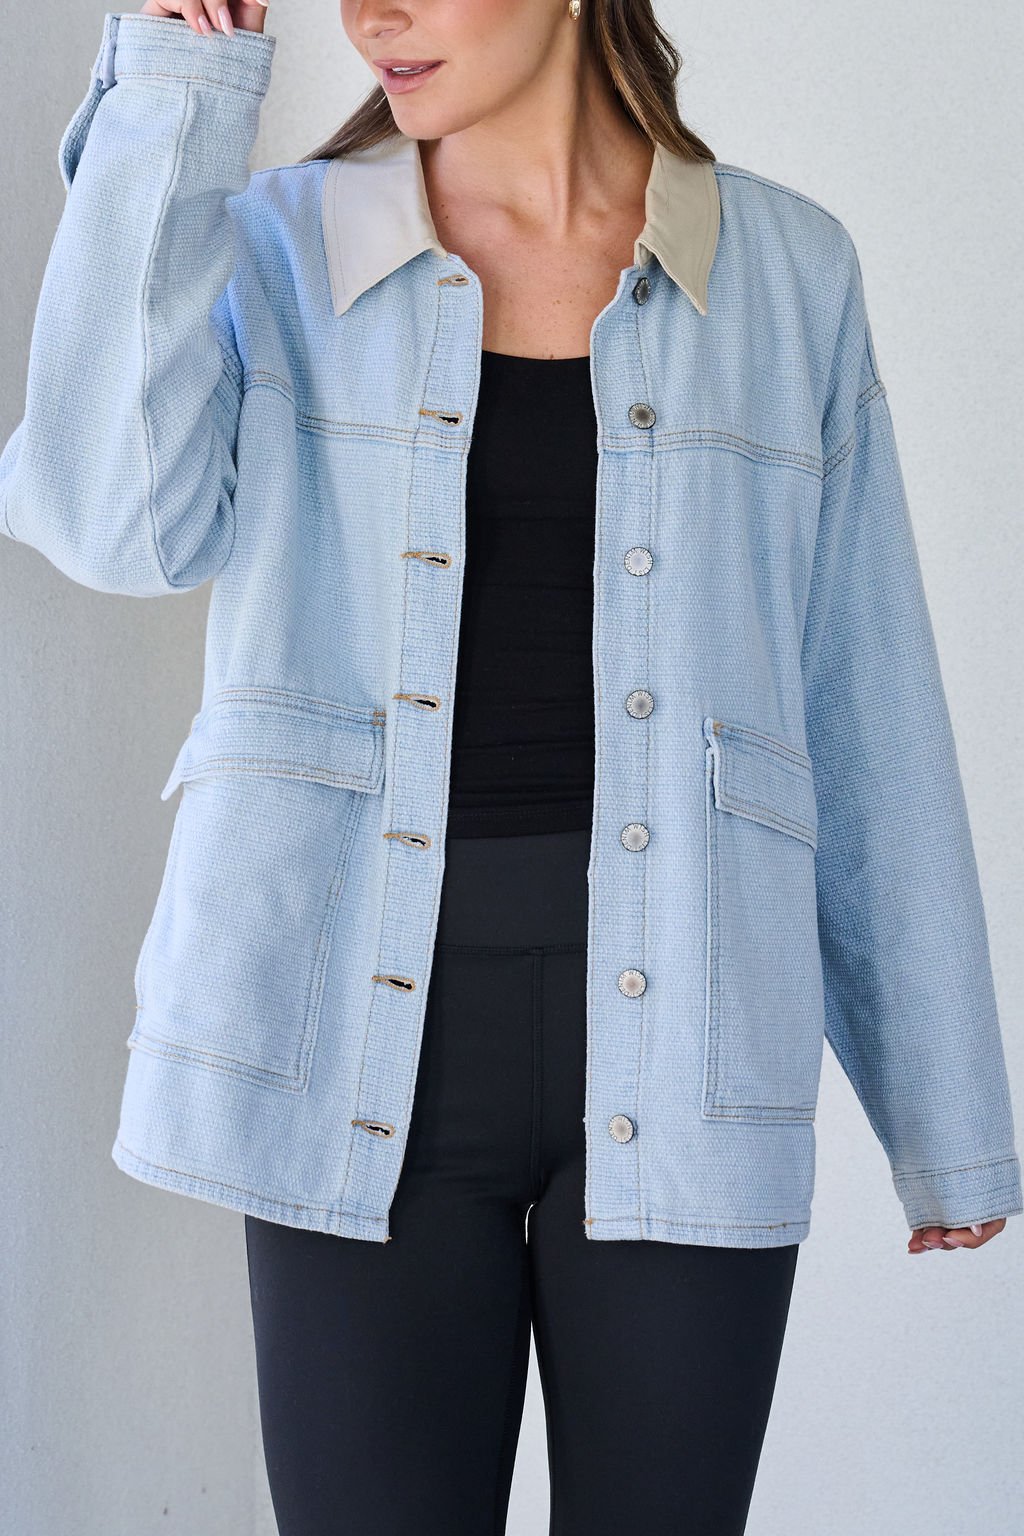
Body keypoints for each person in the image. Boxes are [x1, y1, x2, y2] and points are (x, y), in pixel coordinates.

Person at [2, 2, 1019, 1532]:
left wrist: (946, 1109)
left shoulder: (787, 274)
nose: (372, 17)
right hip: (350, 1035)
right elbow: (102, 514)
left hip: (691, 1035)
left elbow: (862, 693)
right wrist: (178, 81)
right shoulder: (279, 247)